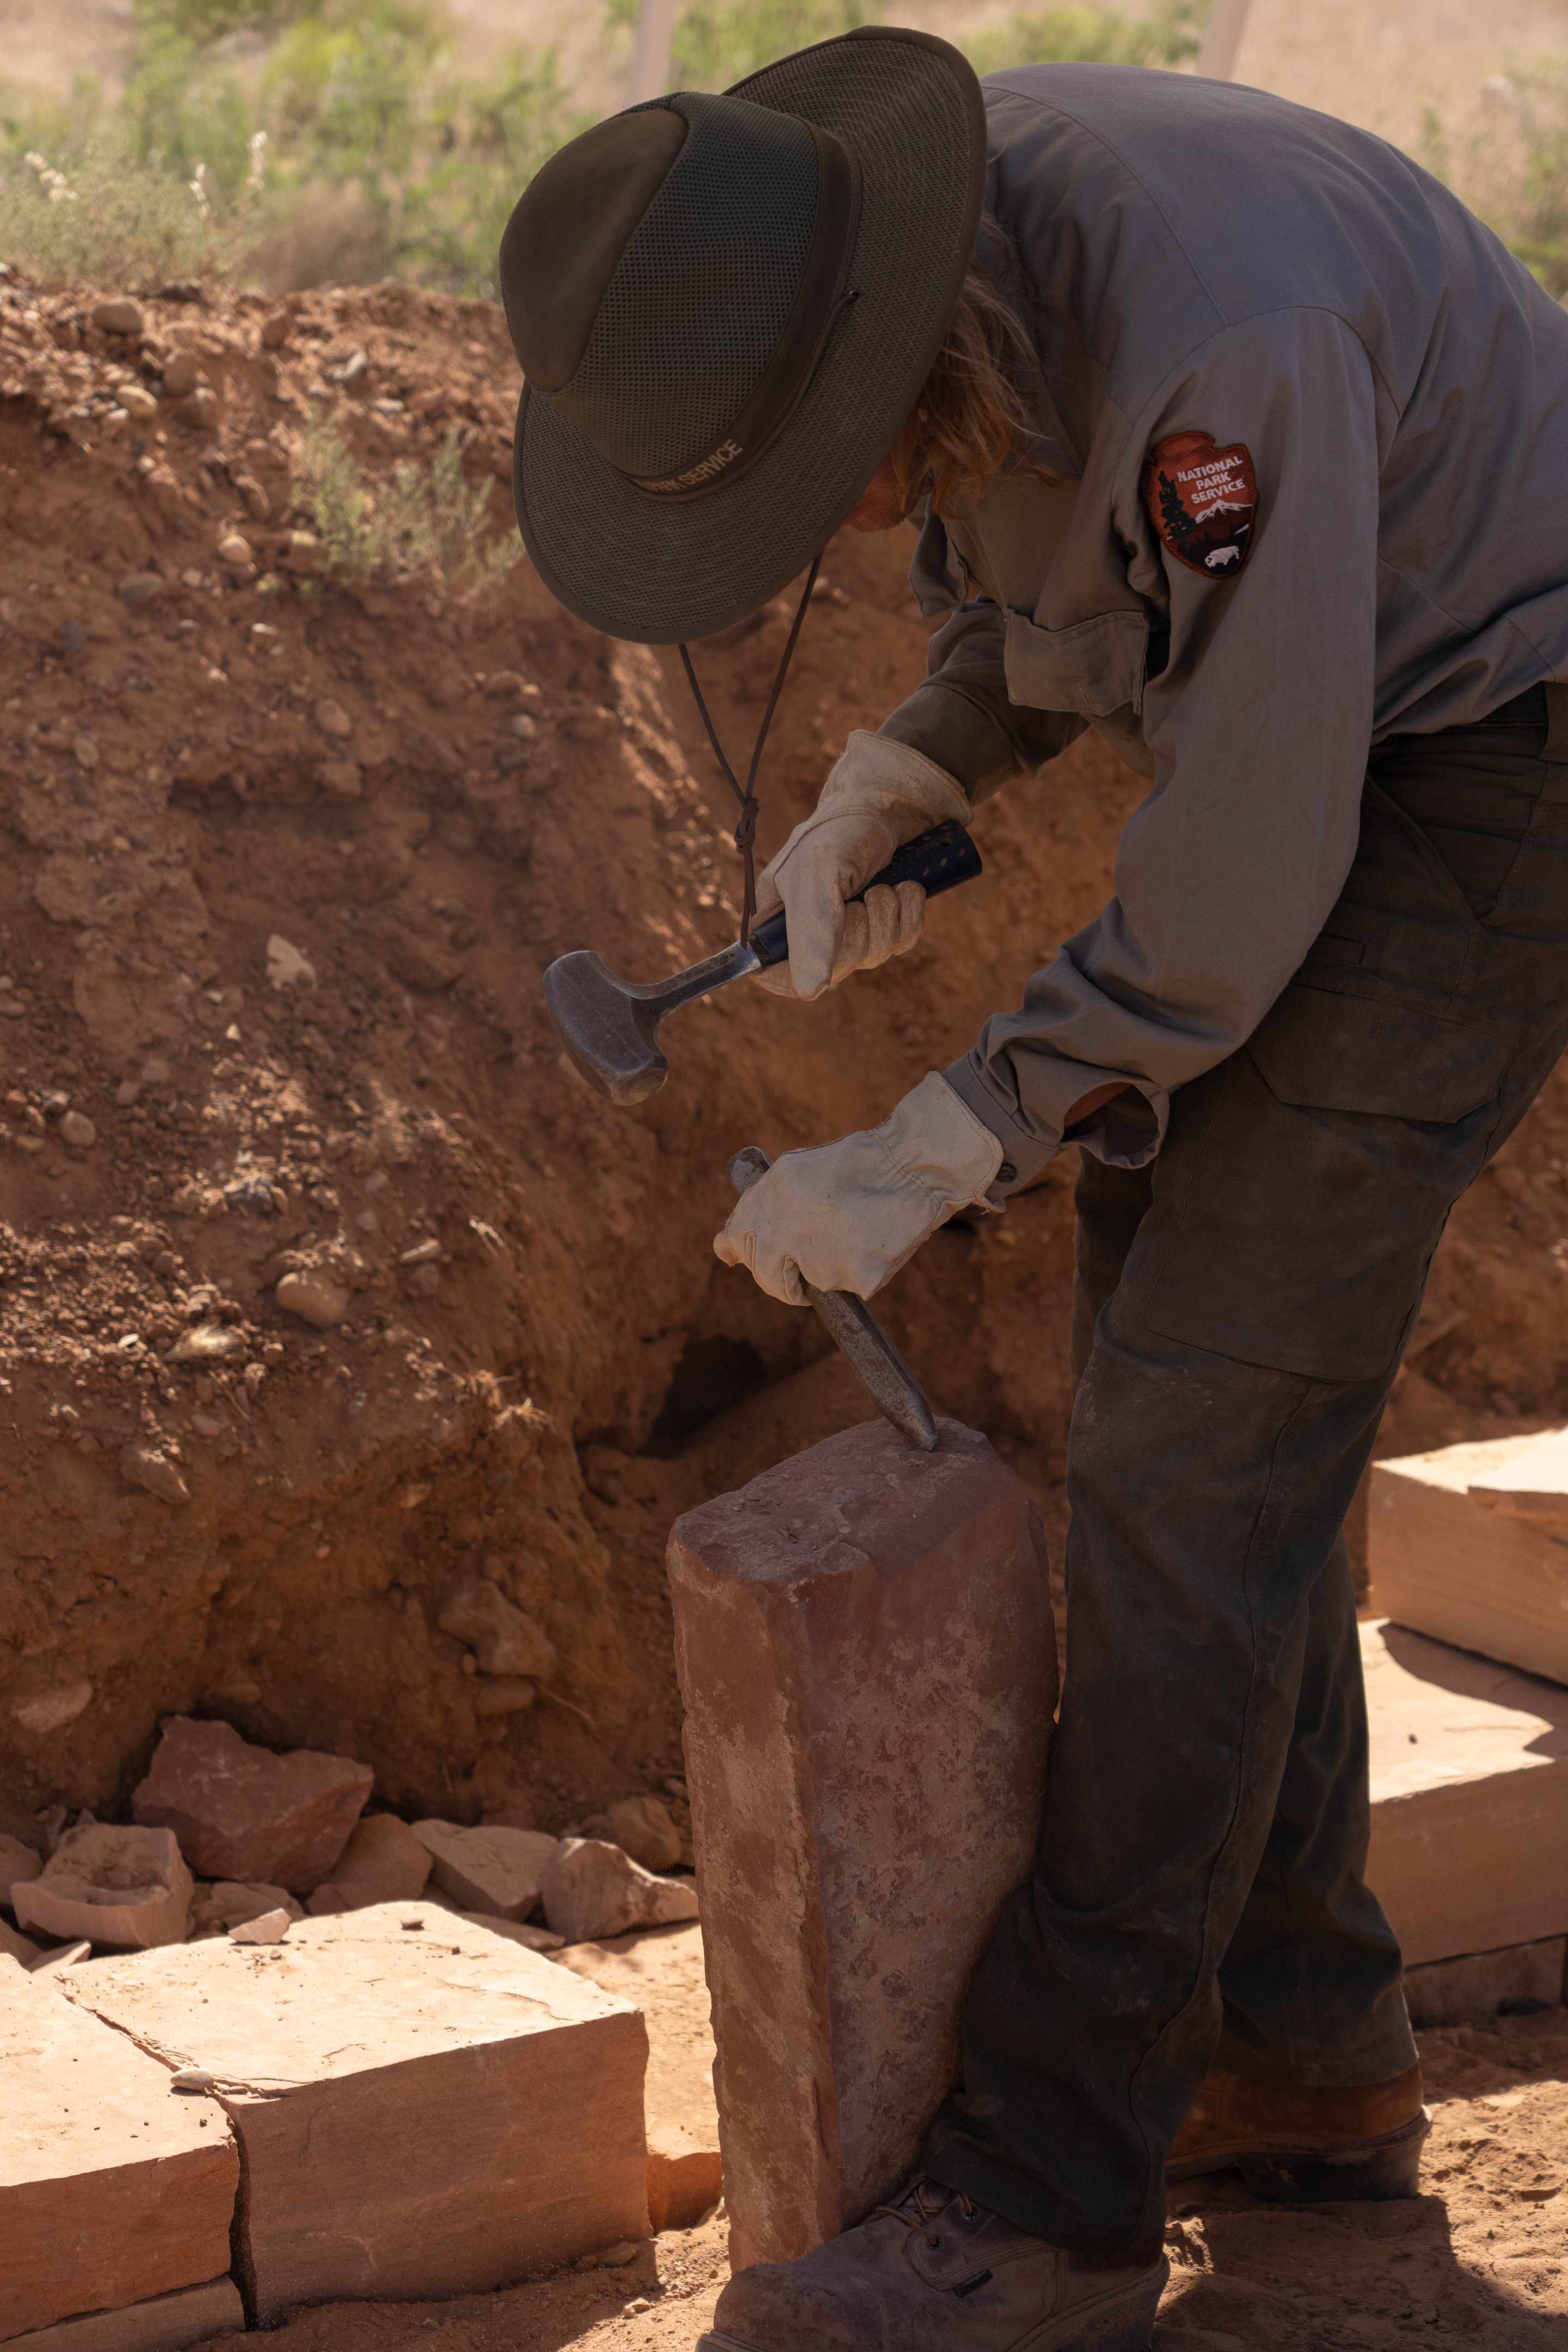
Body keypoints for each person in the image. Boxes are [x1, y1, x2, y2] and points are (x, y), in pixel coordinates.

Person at [499, 29, 1568, 2352]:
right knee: (1207, 1424)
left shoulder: (1218, 348)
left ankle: (1056, 2185)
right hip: (1345, 719)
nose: (852, 533)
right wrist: (918, 757)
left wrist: (951, 1133)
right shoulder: (933, 278)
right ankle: (1299, 2073)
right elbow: (1042, 586)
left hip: (1507, 747)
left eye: (834, 482)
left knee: (1195, 1453)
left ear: (899, 348)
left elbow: (1254, 854)